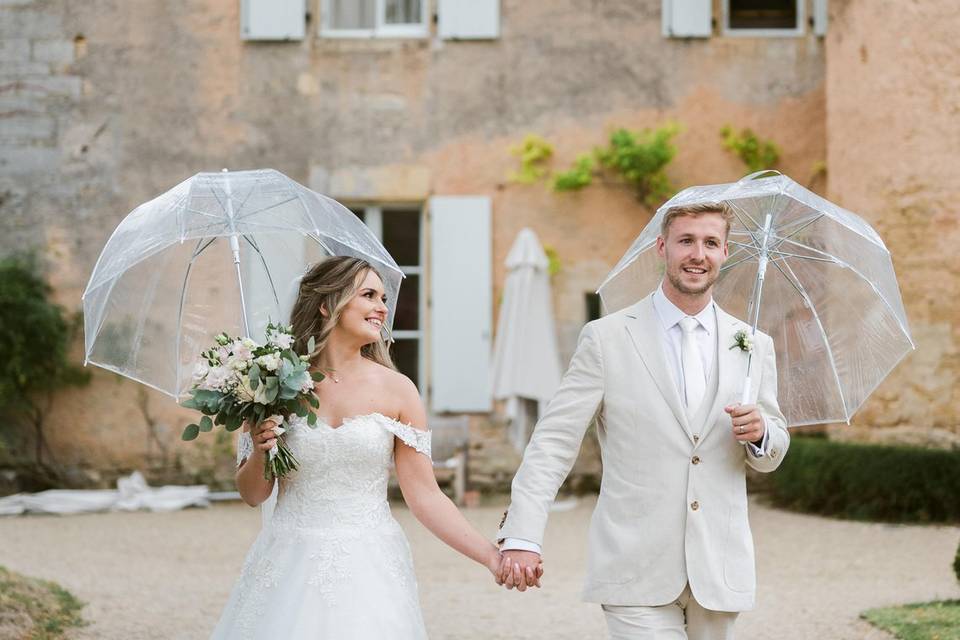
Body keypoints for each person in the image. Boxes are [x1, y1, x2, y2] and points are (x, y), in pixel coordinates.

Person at [496, 202, 790, 639]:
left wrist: (762, 433)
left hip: (719, 567)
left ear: (725, 252)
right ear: (661, 247)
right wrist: (522, 534)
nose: (698, 254)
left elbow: (771, 454)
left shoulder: (752, 346)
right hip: (633, 565)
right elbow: (554, 442)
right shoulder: (607, 337)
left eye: (710, 243)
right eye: (685, 241)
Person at [211, 256, 504, 639]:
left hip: (370, 563)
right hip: (287, 559)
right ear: (326, 303)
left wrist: (489, 556)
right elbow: (253, 494)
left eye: (383, 297)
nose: (382, 307)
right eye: (368, 295)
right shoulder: (273, 385)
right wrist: (263, 451)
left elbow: (425, 495)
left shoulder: (398, 390)